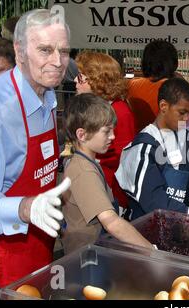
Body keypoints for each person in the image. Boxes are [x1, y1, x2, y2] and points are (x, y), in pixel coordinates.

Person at [0, 9, 71, 297]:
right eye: (45, 50)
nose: (57, 61)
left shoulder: (48, 96)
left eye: (63, 51)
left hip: (40, 246)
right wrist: (25, 208)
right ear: (19, 50)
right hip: (2, 253)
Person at [116, 78, 189, 221]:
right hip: (147, 227)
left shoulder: (187, 140)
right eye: (182, 112)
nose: (187, 119)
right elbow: (154, 200)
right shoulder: (142, 148)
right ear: (163, 106)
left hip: (178, 224)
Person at [61, 93, 152, 254]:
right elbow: (111, 222)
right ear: (81, 134)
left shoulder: (85, 162)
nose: (113, 136)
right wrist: (152, 250)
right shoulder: (84, 171)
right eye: (106, 131)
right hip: (87, 257)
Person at [74, 50, 135, 214]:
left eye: (81, 76)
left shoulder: (120, 112)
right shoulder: (97, 107)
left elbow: (126, 159)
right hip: (96, 188)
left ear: (97, 80)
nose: (75, 81)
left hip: (111, 196)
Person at [127, 40, 179, 134]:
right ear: (172, 62)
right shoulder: (174, 87)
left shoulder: (132, 84)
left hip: (139, 139)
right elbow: (182, 123)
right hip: (165, 141)